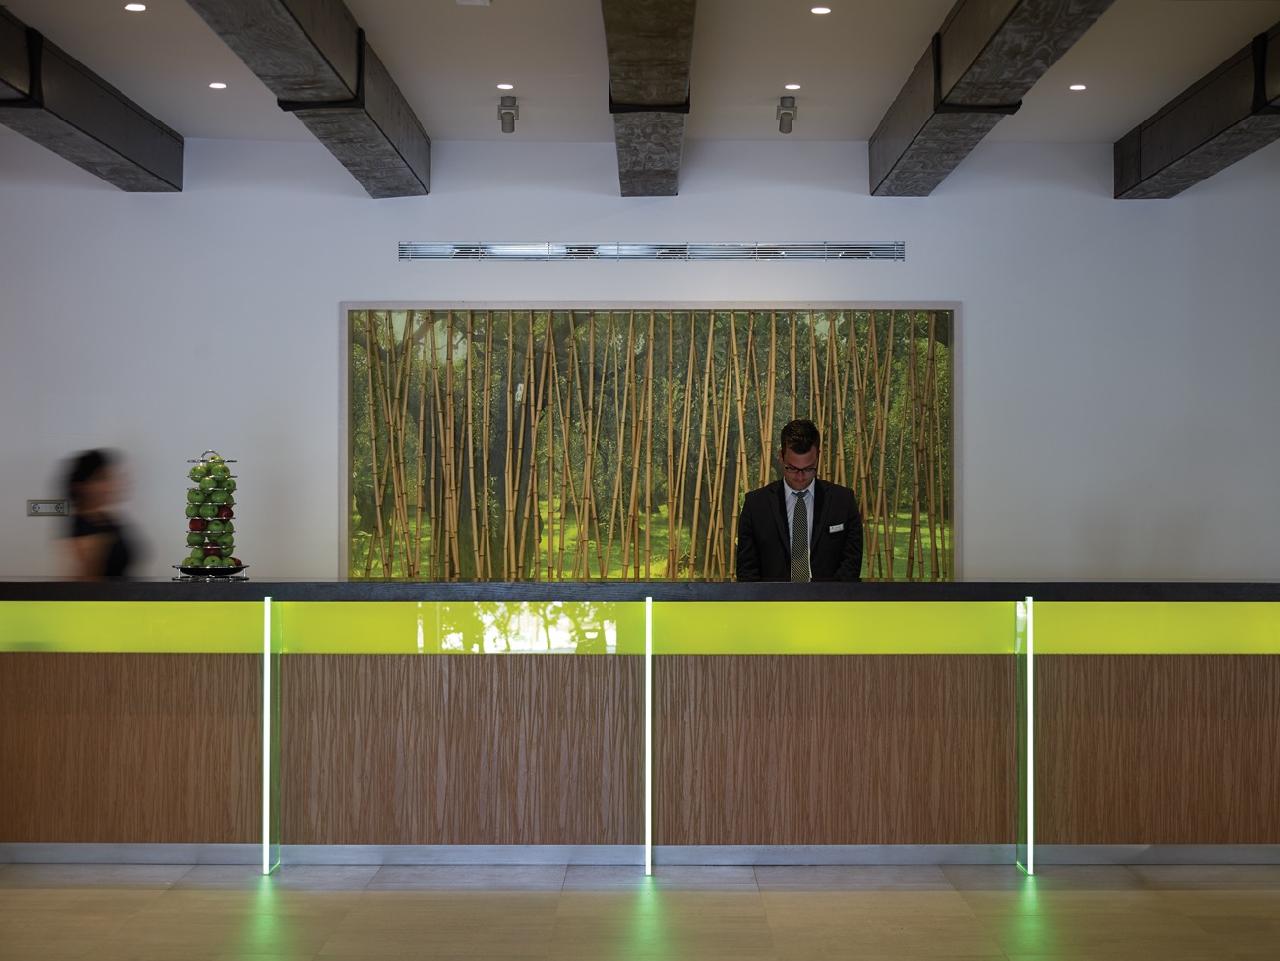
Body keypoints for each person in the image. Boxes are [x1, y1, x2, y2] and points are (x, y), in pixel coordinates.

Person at [736, 419, 863, 582]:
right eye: (792, 468)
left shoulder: (843, 501)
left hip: (830, 596)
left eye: (809, 468)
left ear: (818, 456)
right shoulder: (756, 505)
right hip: (772, 597)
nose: (801, 477)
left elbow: (851, 564)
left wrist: (830, 595)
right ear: (781, 457)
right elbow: (747, 571)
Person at [62, 449, 136, 579]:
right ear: (83, 486)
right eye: (101, 479)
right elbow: (89, 580)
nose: (109, 486)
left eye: (109, 478)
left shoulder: (107, 519)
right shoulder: (83, 528)